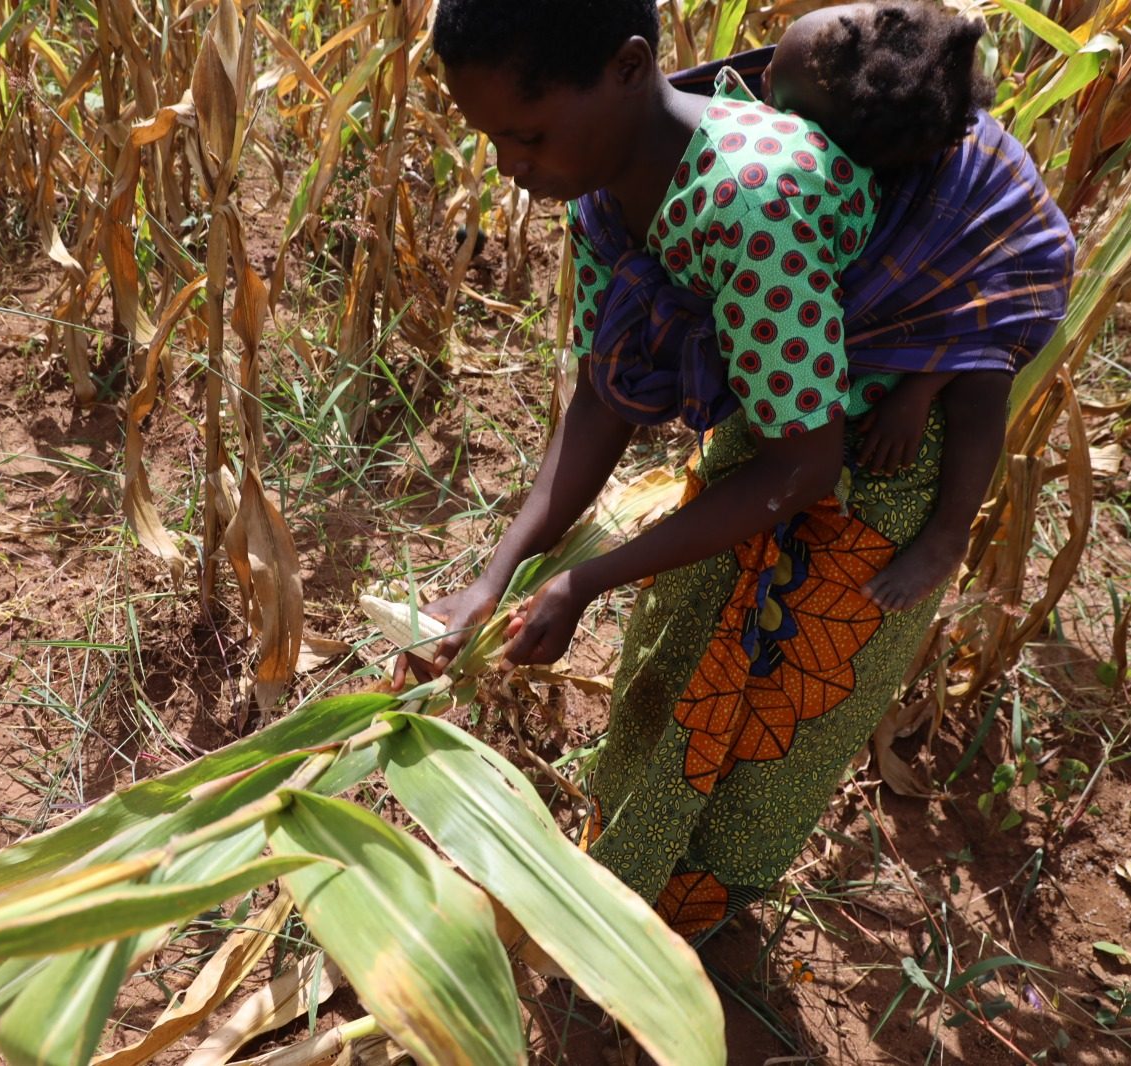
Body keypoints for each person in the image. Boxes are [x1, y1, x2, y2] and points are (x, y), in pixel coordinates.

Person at [401, 0, 1074, 937]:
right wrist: (496, 574)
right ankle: (623, 920)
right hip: (774, 440)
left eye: (526, 136)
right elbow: (604, 397)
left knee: (774, 735)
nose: (513, 170)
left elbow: (807, 469)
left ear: (631, 68)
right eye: (495, 143)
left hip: (877, 485)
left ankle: (691, 949)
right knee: (673, 684)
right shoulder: (604, 190)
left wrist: (585, 581)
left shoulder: (752, 201)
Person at [765, 2, 1006, 610]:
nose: (762, 87)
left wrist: (923, 385)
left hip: (980, 325)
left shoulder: (963, 186)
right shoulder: (858, 153)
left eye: (781, 97)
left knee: (983, 387)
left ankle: (950, 536)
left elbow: (989, 305)